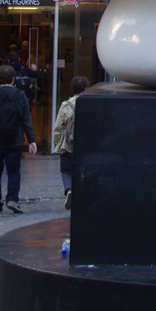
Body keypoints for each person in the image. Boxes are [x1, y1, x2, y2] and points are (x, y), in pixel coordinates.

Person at [0, 63, 37, 214]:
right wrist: (31, 140)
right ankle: (12, 199)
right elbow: (26, 121)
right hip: (14, 141)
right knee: (14, 171)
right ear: (13, 79)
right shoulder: (20, 96)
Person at [53, 75, 89, 210]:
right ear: (86, 88)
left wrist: (57, 143)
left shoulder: (66, 105)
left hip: (67, 144)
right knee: (82, 169)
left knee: (66, 170)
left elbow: (58, 127)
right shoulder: (89, 103)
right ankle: (82, 195)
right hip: (85, 144)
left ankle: (69, 190)